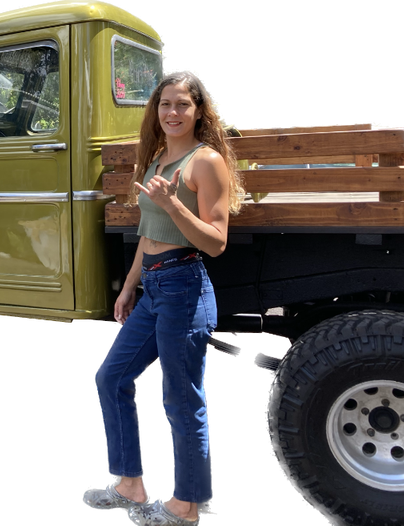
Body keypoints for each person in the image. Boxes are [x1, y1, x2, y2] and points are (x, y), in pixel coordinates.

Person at [81, 71, 244, 525]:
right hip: (153, 287)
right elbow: (147, 232)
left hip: (184, 288)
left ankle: (186, 507)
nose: (173, 112)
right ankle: (130, 485)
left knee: (180, 399)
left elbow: (215, 241)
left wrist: (174, 204)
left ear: (198, 111)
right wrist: (129, 285)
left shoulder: (204, 161)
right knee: (111, 380)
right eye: (165, 104)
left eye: (183, 105)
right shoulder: (154, 161)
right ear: (155, 110)